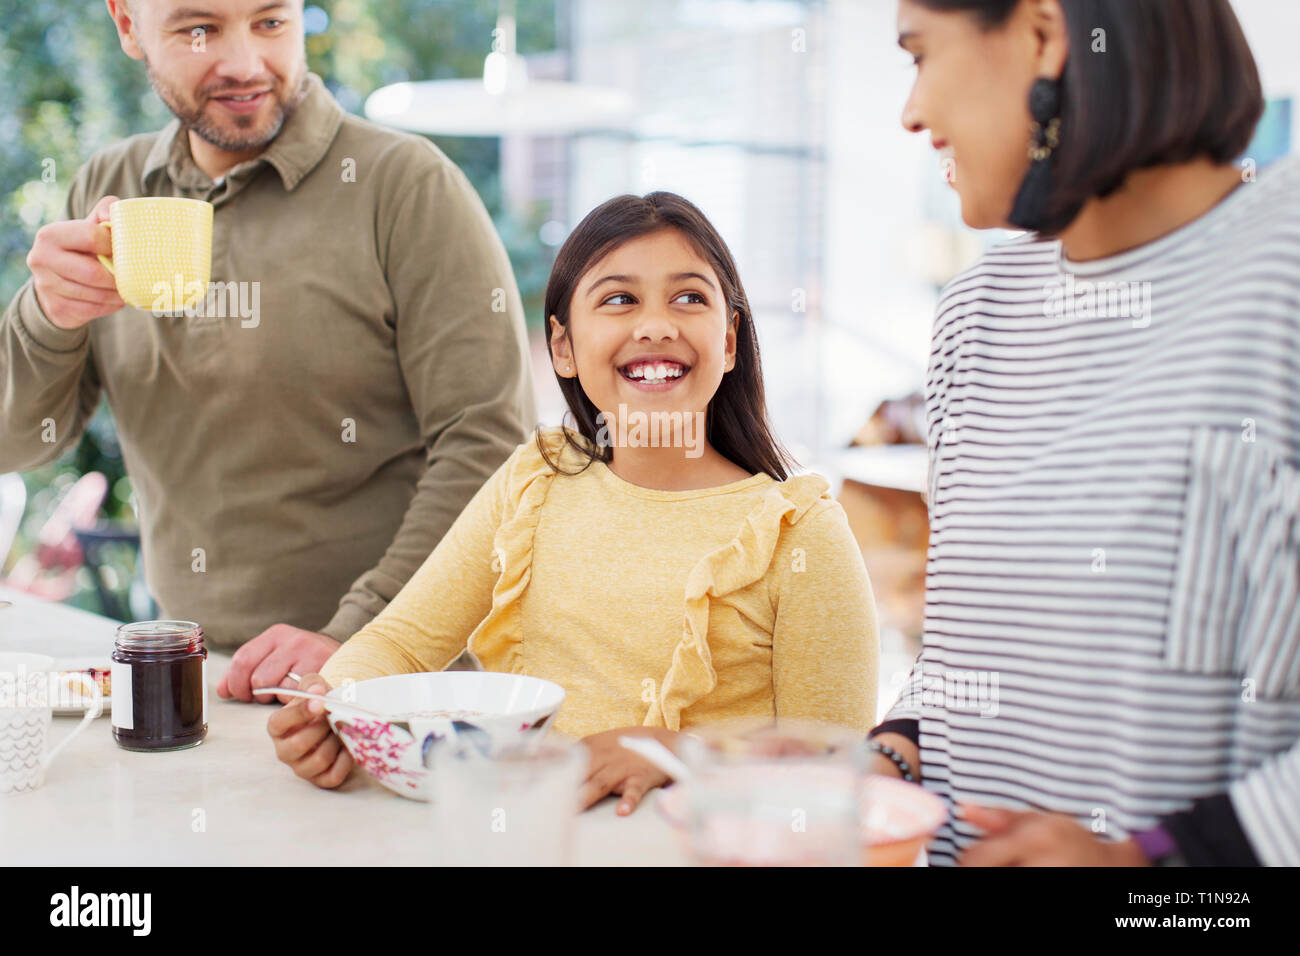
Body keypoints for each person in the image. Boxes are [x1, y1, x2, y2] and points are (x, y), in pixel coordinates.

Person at [269, 192, 880, 814]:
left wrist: (672, 753)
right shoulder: (536, 478)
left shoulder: (799, 531)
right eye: (619, 299)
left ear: (727, 342)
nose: (656, 325)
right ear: (562, 345)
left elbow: (838, 771)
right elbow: (401, 644)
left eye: (689, 297)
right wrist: (336, 706)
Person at [868, 0, 1299, 865]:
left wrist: (1148, 864)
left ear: (1044, 33)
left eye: (920, 55)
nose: (910, 111)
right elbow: (968, 647)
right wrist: (894, 751)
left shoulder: (1279, 273)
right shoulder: (975, 318)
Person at [0, 0, 535, 697]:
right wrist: (47, 315)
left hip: (399, 686)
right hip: (191, 679)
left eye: (271, 22)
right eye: (200, 28)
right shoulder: (109, 189)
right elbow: (18, 445)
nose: (246, 64)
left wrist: (354, 640)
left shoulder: (406, 186)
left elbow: (490, 447)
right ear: (128, 26)